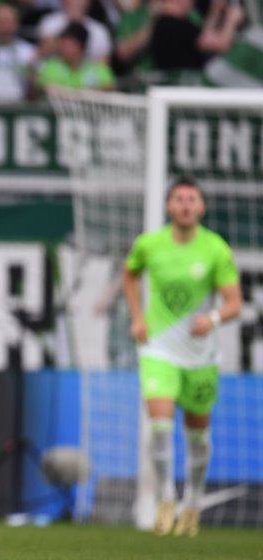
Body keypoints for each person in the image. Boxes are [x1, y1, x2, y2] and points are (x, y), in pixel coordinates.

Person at [122, 176, 243, 537]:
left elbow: (234, 302)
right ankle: (164, 498)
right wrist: (137, 317)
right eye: (179, 199)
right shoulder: (149, 244)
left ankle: (193, 501)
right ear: (168, 206)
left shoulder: (215, 249)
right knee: (159, 426)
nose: (186, 205)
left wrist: (215, 318)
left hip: (200, 356)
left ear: (202, 207)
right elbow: (129, 276)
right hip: (159, 350)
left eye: (192, 199)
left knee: (197, 436)